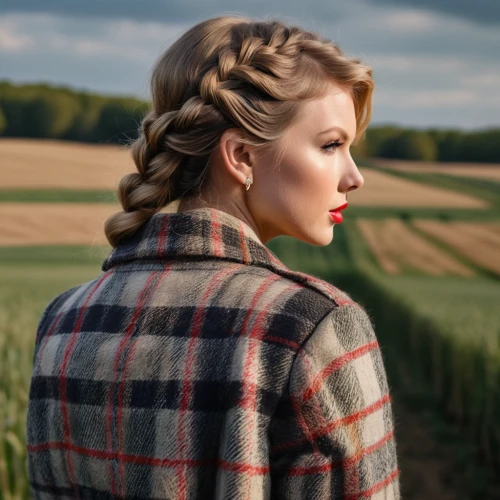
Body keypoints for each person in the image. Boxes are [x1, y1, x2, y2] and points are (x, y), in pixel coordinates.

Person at [26, 15, 401, 499]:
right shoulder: (314, 329)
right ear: (241, 155)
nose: (354, 177)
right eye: (331, 145)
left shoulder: (62, 322)